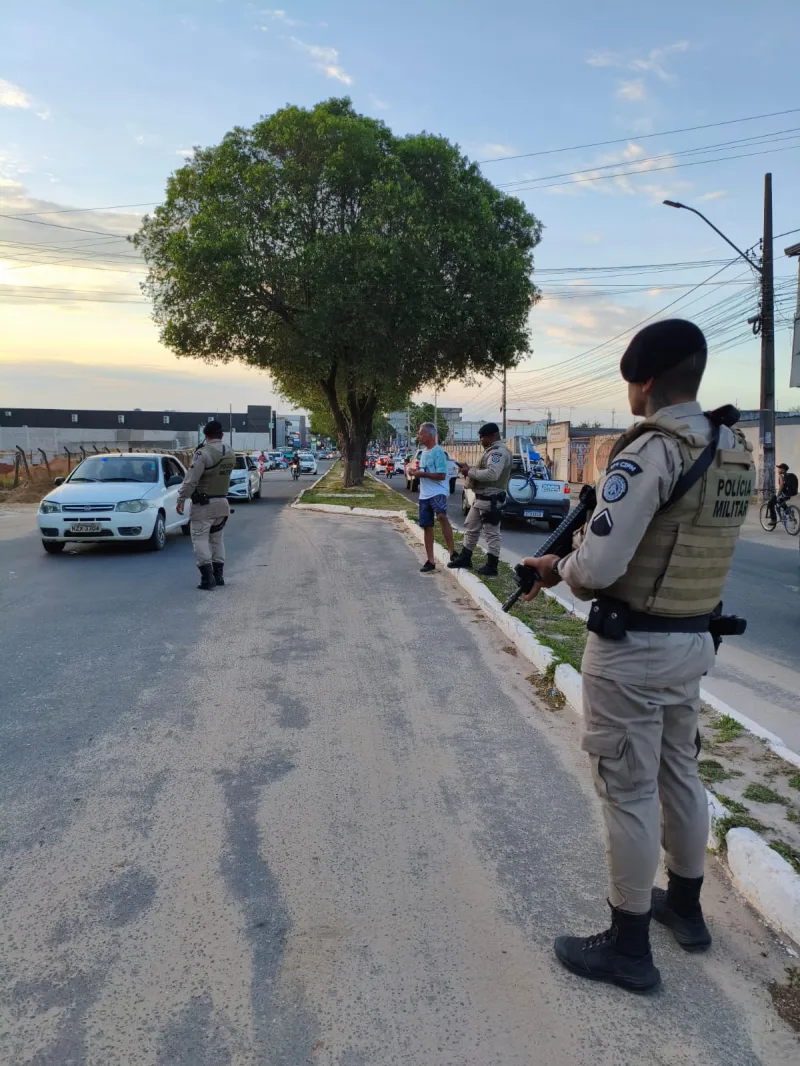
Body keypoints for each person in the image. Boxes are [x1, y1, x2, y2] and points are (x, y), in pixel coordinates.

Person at [521, 319, 755, 994]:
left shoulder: (650, 452)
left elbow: (599, 566)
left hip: (635, 648)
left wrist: (556, 566)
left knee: (625, 791)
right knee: (680, 772)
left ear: (643, 381)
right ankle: (684, 907)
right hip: (692, 640)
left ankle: (626, 946)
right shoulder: (732, 445)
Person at [177, 420, 236, 590]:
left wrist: (181, 499)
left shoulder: (203, 454)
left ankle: (207, 578)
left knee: (200, 538)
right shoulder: (230, 452)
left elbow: (191, 480)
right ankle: (219, 576)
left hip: (204, 504)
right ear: (222, 435)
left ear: (205, 435)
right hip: (223, 502)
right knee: (217, 540)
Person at [448, 422, 512, 577]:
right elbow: (484, 470)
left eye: (482, 437)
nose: (481, 441)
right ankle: (465, 558)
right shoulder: (491, 451)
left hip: (491, 498)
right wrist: (469, 468)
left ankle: (492, 566)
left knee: (491, 533)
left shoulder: (498, 453)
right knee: (471, 527)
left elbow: (492, 474)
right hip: (481, 498)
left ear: (491, 437)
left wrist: (470, 472)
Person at [415, 422, 457, 573]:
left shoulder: (438, 452)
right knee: (427, 526)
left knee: (441, 516)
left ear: (429, 435)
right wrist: (415, 472)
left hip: (438, 492)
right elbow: (423, 470)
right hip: (424, 494)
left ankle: (452, 552)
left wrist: (422, 474)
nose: (418, 436)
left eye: (420, 433)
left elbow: (441, 475)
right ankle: (430, 561)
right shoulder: (423, 452)